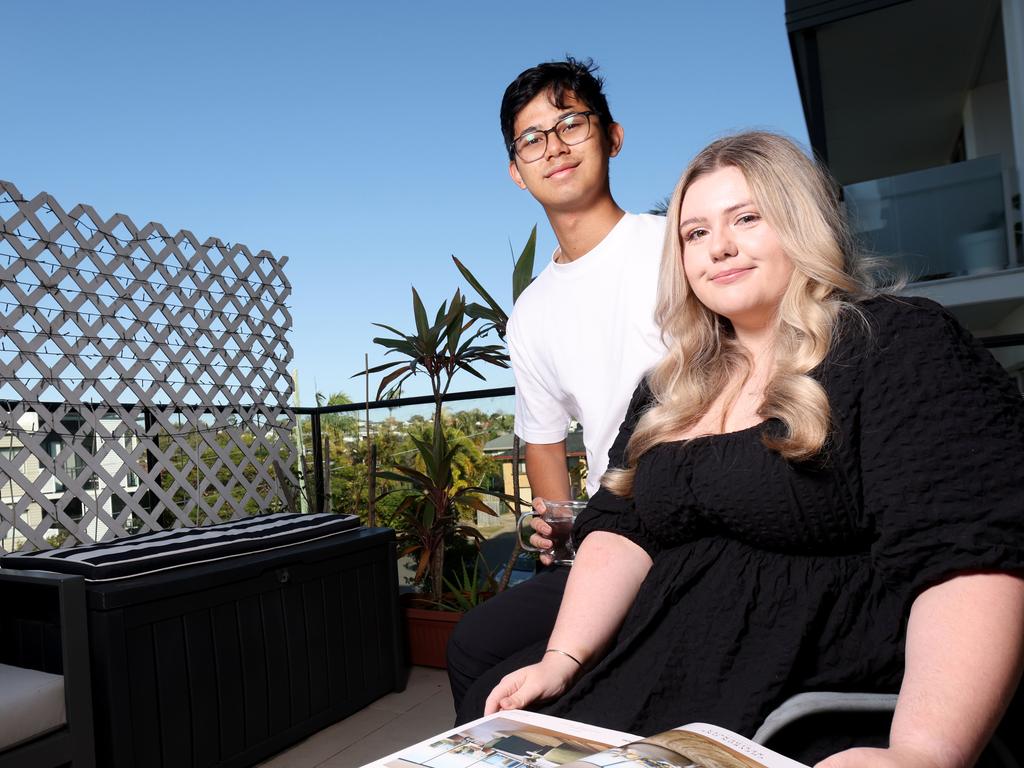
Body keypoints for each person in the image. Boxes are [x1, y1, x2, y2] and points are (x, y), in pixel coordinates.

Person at [464, 131, 1024, 767]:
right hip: (655, 660)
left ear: (801, 221)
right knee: (496, 703)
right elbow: (620, 526)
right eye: (695, 233)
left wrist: (922, 751)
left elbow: (968, 555)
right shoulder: (669, 386)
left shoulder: (898, 343)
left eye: (747, 218)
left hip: (799, 691)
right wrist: (561, 657)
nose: (719, 247)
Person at [446, 57, 667, 713]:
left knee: (552, 686)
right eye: (532, 137)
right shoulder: (533, 312)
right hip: (610, 535)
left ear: (613, 136)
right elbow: (543, 442)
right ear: (517, 171)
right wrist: (566, 544)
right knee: (473, 647)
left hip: (695, 524)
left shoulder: (678, 247)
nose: (555, 145)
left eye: (572, 122)